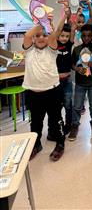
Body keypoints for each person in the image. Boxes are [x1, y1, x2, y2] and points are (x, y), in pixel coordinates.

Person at [22, 13, 66, 161]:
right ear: (34, 39)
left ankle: (60, 143)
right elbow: (28, 35)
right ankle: (36, 144)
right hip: (33, 94)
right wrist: (42, 21)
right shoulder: (28, 51)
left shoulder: (51, 50)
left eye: (44, 35)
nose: (41, 38)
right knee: (36, 122)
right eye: (38, 36)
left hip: (52, 92)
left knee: (56, 119)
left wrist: (64, 14)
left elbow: (55, 34)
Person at [68, 24, 92, 141]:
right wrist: (77, 68)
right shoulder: (76, 49)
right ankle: (75, 125)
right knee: (77, 106)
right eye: (84, 36)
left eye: (89, 36)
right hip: (80, 84)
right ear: (81, 36)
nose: (86, 38)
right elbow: (72, 64)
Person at [48, 18, 76, 140]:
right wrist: (49, 23)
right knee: (56, 106)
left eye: (66, 36)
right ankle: (55, 127)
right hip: (56, 81)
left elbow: (73, 31)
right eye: (62, 36)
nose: (64, 38)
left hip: (68, 80)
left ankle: (68, 125)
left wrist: (73, 23)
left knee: (68, 104)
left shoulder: (69, 45)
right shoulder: (54, 45)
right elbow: (55, 30)